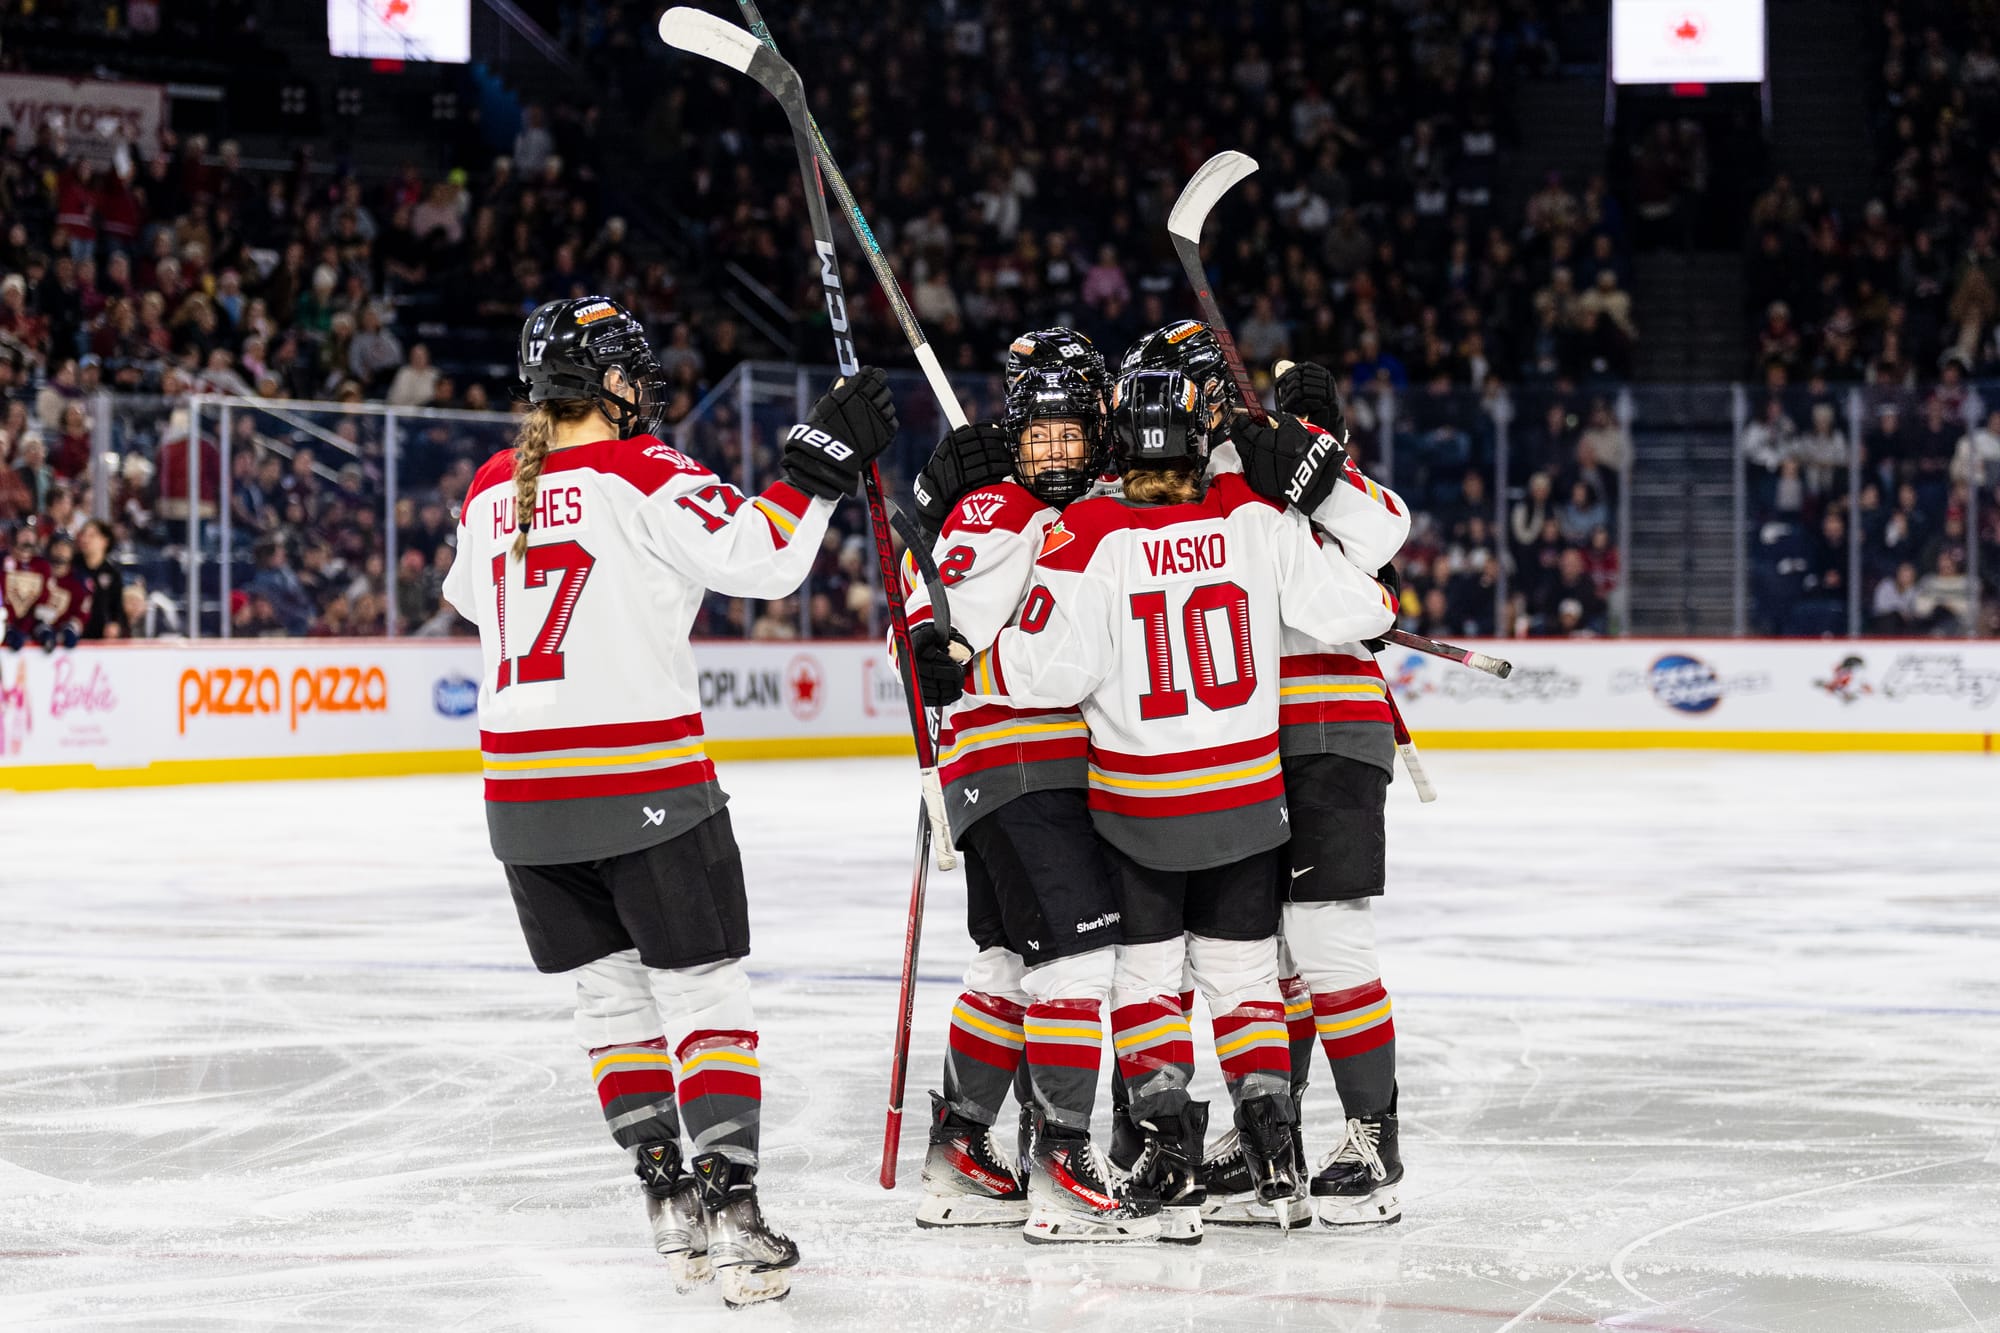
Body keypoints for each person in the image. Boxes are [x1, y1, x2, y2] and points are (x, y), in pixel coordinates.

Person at [440, 296, 897, 1308]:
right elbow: (765, 560)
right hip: (639, 779)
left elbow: (471, 595)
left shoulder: (488, 487)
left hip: (521, 797)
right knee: (704, 999)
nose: (641, 391)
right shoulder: (644, 469)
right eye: (629, 374)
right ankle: (734, 1217)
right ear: (605, 382)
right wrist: (818, 466)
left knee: (611, 1002)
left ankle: (667, 1203)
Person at [917, 366, 1398, 1237]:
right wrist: (1380, 593)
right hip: (1250, 807)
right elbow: (1357, 607)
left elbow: (1050, 669)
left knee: (1144, 982)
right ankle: (1276, 1164)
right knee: (1246, 979)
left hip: (1140, 814)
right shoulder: (1251, 512)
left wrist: (970, 669)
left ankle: (1169, 1165)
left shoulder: (1092, 530)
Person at [901, 329, 1164, 1241]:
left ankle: (960, 1147)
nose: (1052, 453)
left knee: (1008, 965)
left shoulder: (1085, 505)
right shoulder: (995, 507)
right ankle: (1062, 1161)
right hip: (1021, 762)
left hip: (1018, 771)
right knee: (1076, 962)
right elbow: (929, 628)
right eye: (1036, 435)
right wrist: (931, 633)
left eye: (1069, 434)